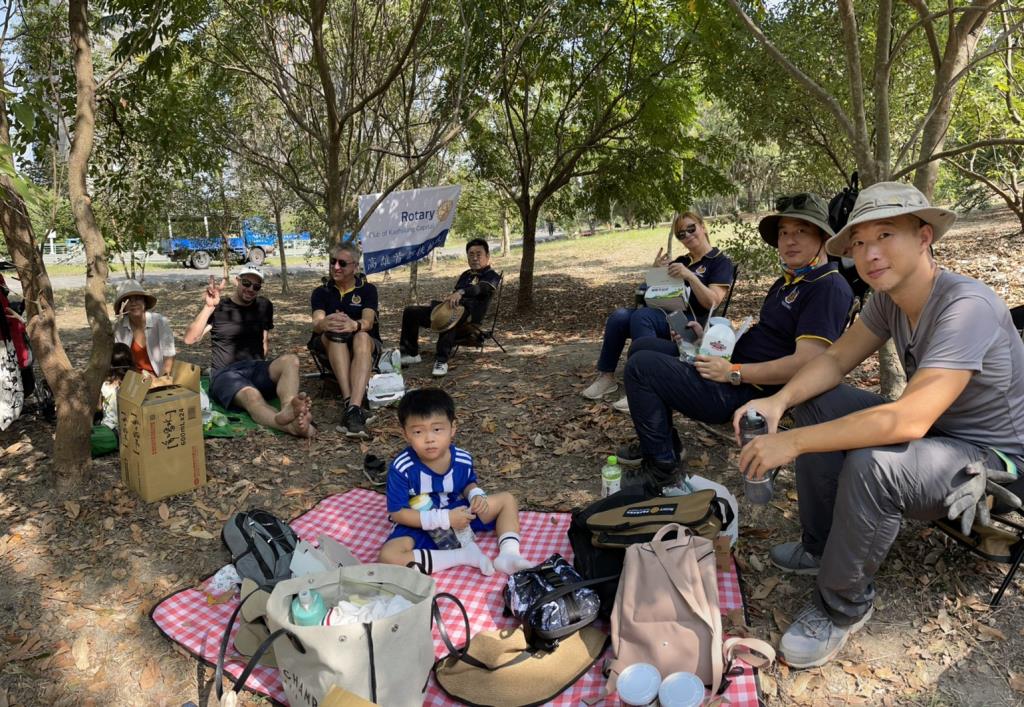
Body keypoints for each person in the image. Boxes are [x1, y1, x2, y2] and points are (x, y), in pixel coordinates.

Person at [733, 182, 1024, 669]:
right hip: (939, 438)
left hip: (996, 463)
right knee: (819, 399)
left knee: (876, 466)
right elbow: (833, 361)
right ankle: (821, 548)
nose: (870, 253)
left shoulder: (966, 306)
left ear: (924, 236)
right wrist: (779, 401)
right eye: (860, 242)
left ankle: (842, 604)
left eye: (885, 235)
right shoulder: (889, 299)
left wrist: (793, 443)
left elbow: (908, 418)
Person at [618, 193, 854, 488]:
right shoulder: (788, 282)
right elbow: (766, 339)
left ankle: (662, 467)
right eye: (784, 233)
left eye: (801, 231)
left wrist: (732, 372)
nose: (789, 241)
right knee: (643, 346)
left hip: (744, 390)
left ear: (823, 237)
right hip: (730, 366)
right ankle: (665, 444)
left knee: (640, 367)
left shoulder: (828, 287)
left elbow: (806, 364)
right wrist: (709, 341)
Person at [581, 211, 735, 412]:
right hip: (664, 313)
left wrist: (690, 277)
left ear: (702, 227)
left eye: (691, 229)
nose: (688, 235)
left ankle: (642, 385)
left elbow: (712, 302)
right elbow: (646, 294)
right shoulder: (682, 260)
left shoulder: (720, 261)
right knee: (619, 317)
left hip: (693, 325)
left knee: (643, 317)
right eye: (681, 234)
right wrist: (654, 272)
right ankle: (607, 377)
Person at [378, 388, 533, 576]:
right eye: (418, 431)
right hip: (419, 522)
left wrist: (475, 494)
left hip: (460, 515)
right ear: (405, 434)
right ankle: (462, 555)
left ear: (452, 428)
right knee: (389, 557)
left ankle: (509, 555)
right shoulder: (402, 468)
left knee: (507, 499)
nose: (429, 439)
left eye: (437, 429)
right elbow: (397, 513)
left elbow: (467, 483)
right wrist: (444, 519)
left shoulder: (462, 459)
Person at [183, 266, 314, 438]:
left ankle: (289, 408)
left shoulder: (264, 306)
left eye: (256, 286)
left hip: (256, 368)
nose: (251, 289)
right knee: (252, 396)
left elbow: (264, 339)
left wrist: (267, 369)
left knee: (291, 360)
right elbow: (190, 339)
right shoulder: (219, 307)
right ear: (237, 281)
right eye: (246, 283)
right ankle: (289, 426)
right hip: (226, 374)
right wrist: (208, 307)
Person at [399, 238, 502, 377]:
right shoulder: (466, 274)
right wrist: (452, 297)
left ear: (487, 256)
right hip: (452, 308)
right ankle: (411, 353)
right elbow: (455, 294)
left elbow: (480, 289)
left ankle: (441, 360)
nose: (475, 258)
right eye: (471, 254)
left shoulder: (492, 276)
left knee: (452, 315)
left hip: (471, 314)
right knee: (411, 312)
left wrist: (461, 292)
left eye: (479, 254)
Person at [309, 242, 382, 438]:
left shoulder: (368, 290)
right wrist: (326, 322)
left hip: (362, 343)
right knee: (336, 333)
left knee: (362, 336)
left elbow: (368, 322)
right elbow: (316, 324)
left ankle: (351, 407)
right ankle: (354, 408)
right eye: (333, 261)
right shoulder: (321, 292)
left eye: (342, 263)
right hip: (328, 344)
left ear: (355, 267)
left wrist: (353, 325)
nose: (336, 267)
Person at [113, 279, 175, 379]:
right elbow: (121, 362)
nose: (133, 303)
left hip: (159, 377)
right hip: (133, 378)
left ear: (144, 302)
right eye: (128, 300)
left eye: (138, 299)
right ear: (123, 307)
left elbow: (169, 355)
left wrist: (161, 381)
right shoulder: (119, 328)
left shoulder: (160, 322)